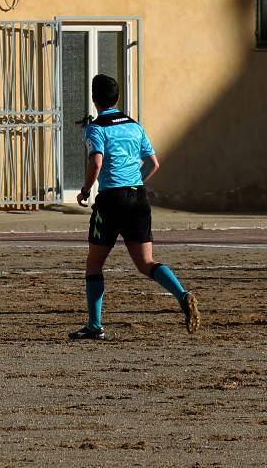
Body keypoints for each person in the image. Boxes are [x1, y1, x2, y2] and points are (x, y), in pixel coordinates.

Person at [70, 74, 200, 340]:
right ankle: (182, 294)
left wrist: (85, 190)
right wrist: (135, 183)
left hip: (111, 201)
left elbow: (96, 162)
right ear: (117, 98)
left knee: (94, 266)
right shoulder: (134, 126)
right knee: (146, 263)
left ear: (95, 99)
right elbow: (154, 163)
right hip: (138, 198)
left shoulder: (97, 127)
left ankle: (95, 326)